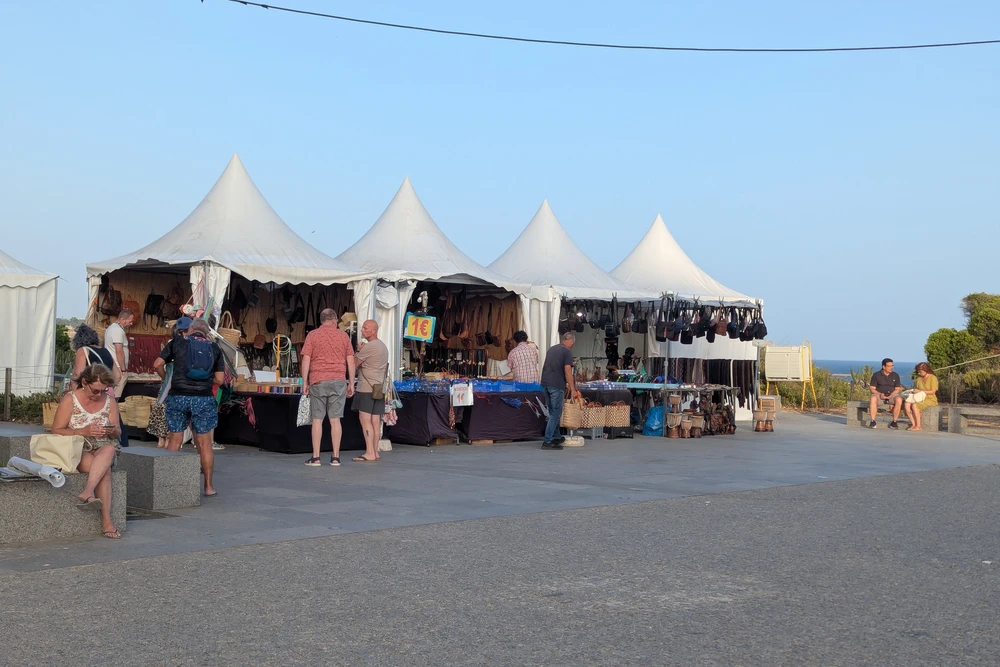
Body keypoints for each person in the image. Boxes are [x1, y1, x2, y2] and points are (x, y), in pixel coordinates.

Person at [153, 319, 224, 497]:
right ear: (207, 333)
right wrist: (205, 380)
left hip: (178, 396)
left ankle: (166, 484)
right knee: (204, 443)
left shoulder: (177, 342)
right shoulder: (214, 348)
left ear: (190, 330)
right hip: (203, 399)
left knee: (174, 440)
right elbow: (220, 380)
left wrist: (166, 378)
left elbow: (157, 364)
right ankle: (208, 487)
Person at [50, 364, 122, 539]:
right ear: (84, 382)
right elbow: (56, 430)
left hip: (104, 447)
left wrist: (110, 430)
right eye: (96, 391)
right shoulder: (70, 399)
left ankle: (88, 491)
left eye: (104, 390)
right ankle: (107, 522)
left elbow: (118, 432)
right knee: (104, 471)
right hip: (77, 448)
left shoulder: (109, 400)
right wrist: (85, 431)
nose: (99, 395)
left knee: (109, 450)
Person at [301, 308, 355, 467]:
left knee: (317, 420)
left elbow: (306, 360)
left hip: (318, 380)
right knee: (335, 420)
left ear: (321, 320)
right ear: (334, 320)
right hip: (338, 380)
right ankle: (336, 457)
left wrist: (305, 382)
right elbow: (350, 361)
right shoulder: (343, 336)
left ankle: (316, 457)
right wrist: (351, 382)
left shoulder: (313, 335)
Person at [71, 324, 127, 449]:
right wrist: (105, 386)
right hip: (106, 391)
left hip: (90, 392)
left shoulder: (83, 351)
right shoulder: (106, 351)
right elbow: (117, 375)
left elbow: (78, 375)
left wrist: (76, 395)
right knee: (113, 424)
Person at [147, 318, 191, 447]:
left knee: (162, 410)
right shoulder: (189, 344)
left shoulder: (171, 343)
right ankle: (168, 442)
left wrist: (165, 377)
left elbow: (157, 364)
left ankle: (162, 440)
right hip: (182, 386)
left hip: (168, 384)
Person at [352, 319, 389, 463]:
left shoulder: (369, 347)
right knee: (375, 420)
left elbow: (355, 364)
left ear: (374, 330)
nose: (362, 330)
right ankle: (375, 451)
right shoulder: (383, 346)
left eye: (365, 328)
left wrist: (358, 351)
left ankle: (369, 452)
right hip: (379, 387)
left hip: (367, 388)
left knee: (365, 419)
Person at [540, 331, 580, 450]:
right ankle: (547, 441)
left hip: (545, 383)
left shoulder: (552, 349)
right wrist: (572, 388)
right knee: (555, 414)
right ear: (570, 341)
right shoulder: (567, 351)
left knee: (553, 412)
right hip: (556, 385)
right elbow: (567, 371)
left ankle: (556, 436)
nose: (572, 345)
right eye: (572, 343)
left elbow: (553, 365)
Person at [104, 308, 135, 400]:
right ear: (122, 319)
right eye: (130, 321)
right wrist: (123, 369)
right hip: (117, 368)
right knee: (115, 395)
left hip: (113, 366)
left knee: (111, 393)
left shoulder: (112, 328)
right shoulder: (117, 330)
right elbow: (119, 351)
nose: (131, 323)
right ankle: (113, 411)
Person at [869, 357, 903, 429]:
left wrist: (892, 394)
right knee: (873, 398)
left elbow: (897, 389)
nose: (891, 368)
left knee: (899, 399)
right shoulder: (876, 375)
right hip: (879, 395)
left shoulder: (895, 375)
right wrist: (879, 394)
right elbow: (872, 388)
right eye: (889, 366)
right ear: (883, 367)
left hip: (892, 395)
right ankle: (873, 421)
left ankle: (894, 422)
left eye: (892, 366)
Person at [904, 362, 939, 432]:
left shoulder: (932, 378)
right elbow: (916, 389)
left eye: (920, 371)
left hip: (930, 398)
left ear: (925, 370)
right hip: (918, 397)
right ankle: (913, 424)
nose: (919, 373)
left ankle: (918, 426)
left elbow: (933, 391)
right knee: (907, 404)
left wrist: (920, 391)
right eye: (918, 372)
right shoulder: (918, 379)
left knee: (915, 405)